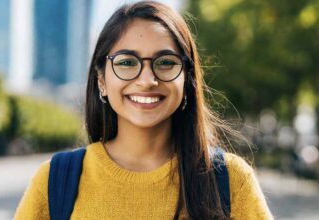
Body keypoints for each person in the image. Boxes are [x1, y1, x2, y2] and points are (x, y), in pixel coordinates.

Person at [14, 1, 273, 219]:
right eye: (127, 62)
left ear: (187, 79)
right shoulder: (55, 181)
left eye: (165, 62)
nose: (147, 80)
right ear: (101, 80)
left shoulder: (231, 180)